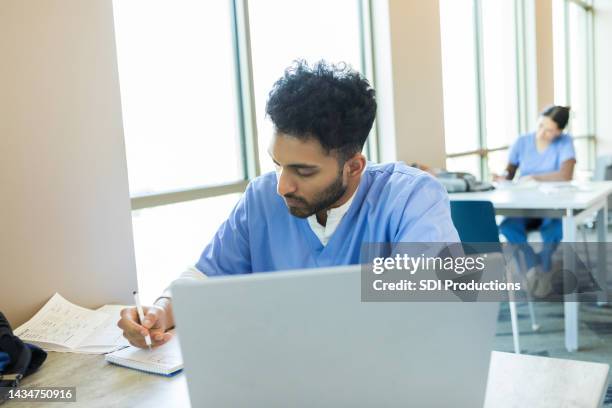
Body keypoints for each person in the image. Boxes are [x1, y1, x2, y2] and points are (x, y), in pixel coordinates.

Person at [117, 60, 460, 348]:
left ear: (354, 166)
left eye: (303, 171)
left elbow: (433, 306)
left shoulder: (412, 198)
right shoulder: (261, 198)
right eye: (278, 164)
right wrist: (161, 310)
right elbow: (204, 278)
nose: (282, 186)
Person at [496, 105, 576, 297]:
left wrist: (535, 177)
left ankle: (545, 265)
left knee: (554, 229)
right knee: (508, 227)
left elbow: (566, 175)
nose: (542, 133)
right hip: (524, 206)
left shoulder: (565, 143)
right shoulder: (522, 142)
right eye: (541, 126)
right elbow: (510, 173)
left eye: (549, 130)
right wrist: (502, 177)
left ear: (559, 131)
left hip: (551, 206)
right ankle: (533, 263)